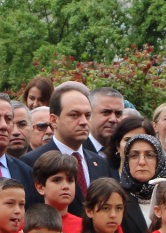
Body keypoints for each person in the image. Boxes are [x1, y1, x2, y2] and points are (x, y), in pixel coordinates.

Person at [20, 86, 112, 215]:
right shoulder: (30, 163)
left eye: (87, 115)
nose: (84, 122)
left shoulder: (100, 163)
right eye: (74, 115)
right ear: (54, 120)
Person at [31, 151, 84, 233]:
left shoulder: (85, 227)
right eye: (57, 180)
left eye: (70, 180)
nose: (65, 186)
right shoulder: (27, 225)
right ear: (40, 187)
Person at [117, 133, 164, 233]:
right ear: (127, 162)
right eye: (134, 156)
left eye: (149, 155)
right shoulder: (117, 197)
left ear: (159, 161)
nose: (142, 162)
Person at [86, 87, 124, 155]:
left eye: (118, 114)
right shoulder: (77, 152)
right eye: (106, 112)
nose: (113, 119)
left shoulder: (124, 153)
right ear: (89, 114)